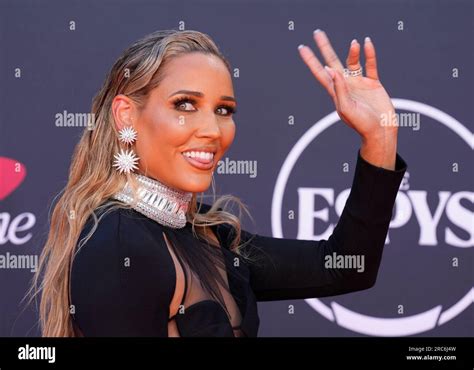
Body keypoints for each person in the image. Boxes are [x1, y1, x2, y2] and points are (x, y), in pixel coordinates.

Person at [32, 29, 407, 337]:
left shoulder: (207, 235)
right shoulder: (119, 242)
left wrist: (380, 137)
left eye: (223, 110)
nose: (212, 131)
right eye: (185, 105)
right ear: (126, 116)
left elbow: (343, 266)